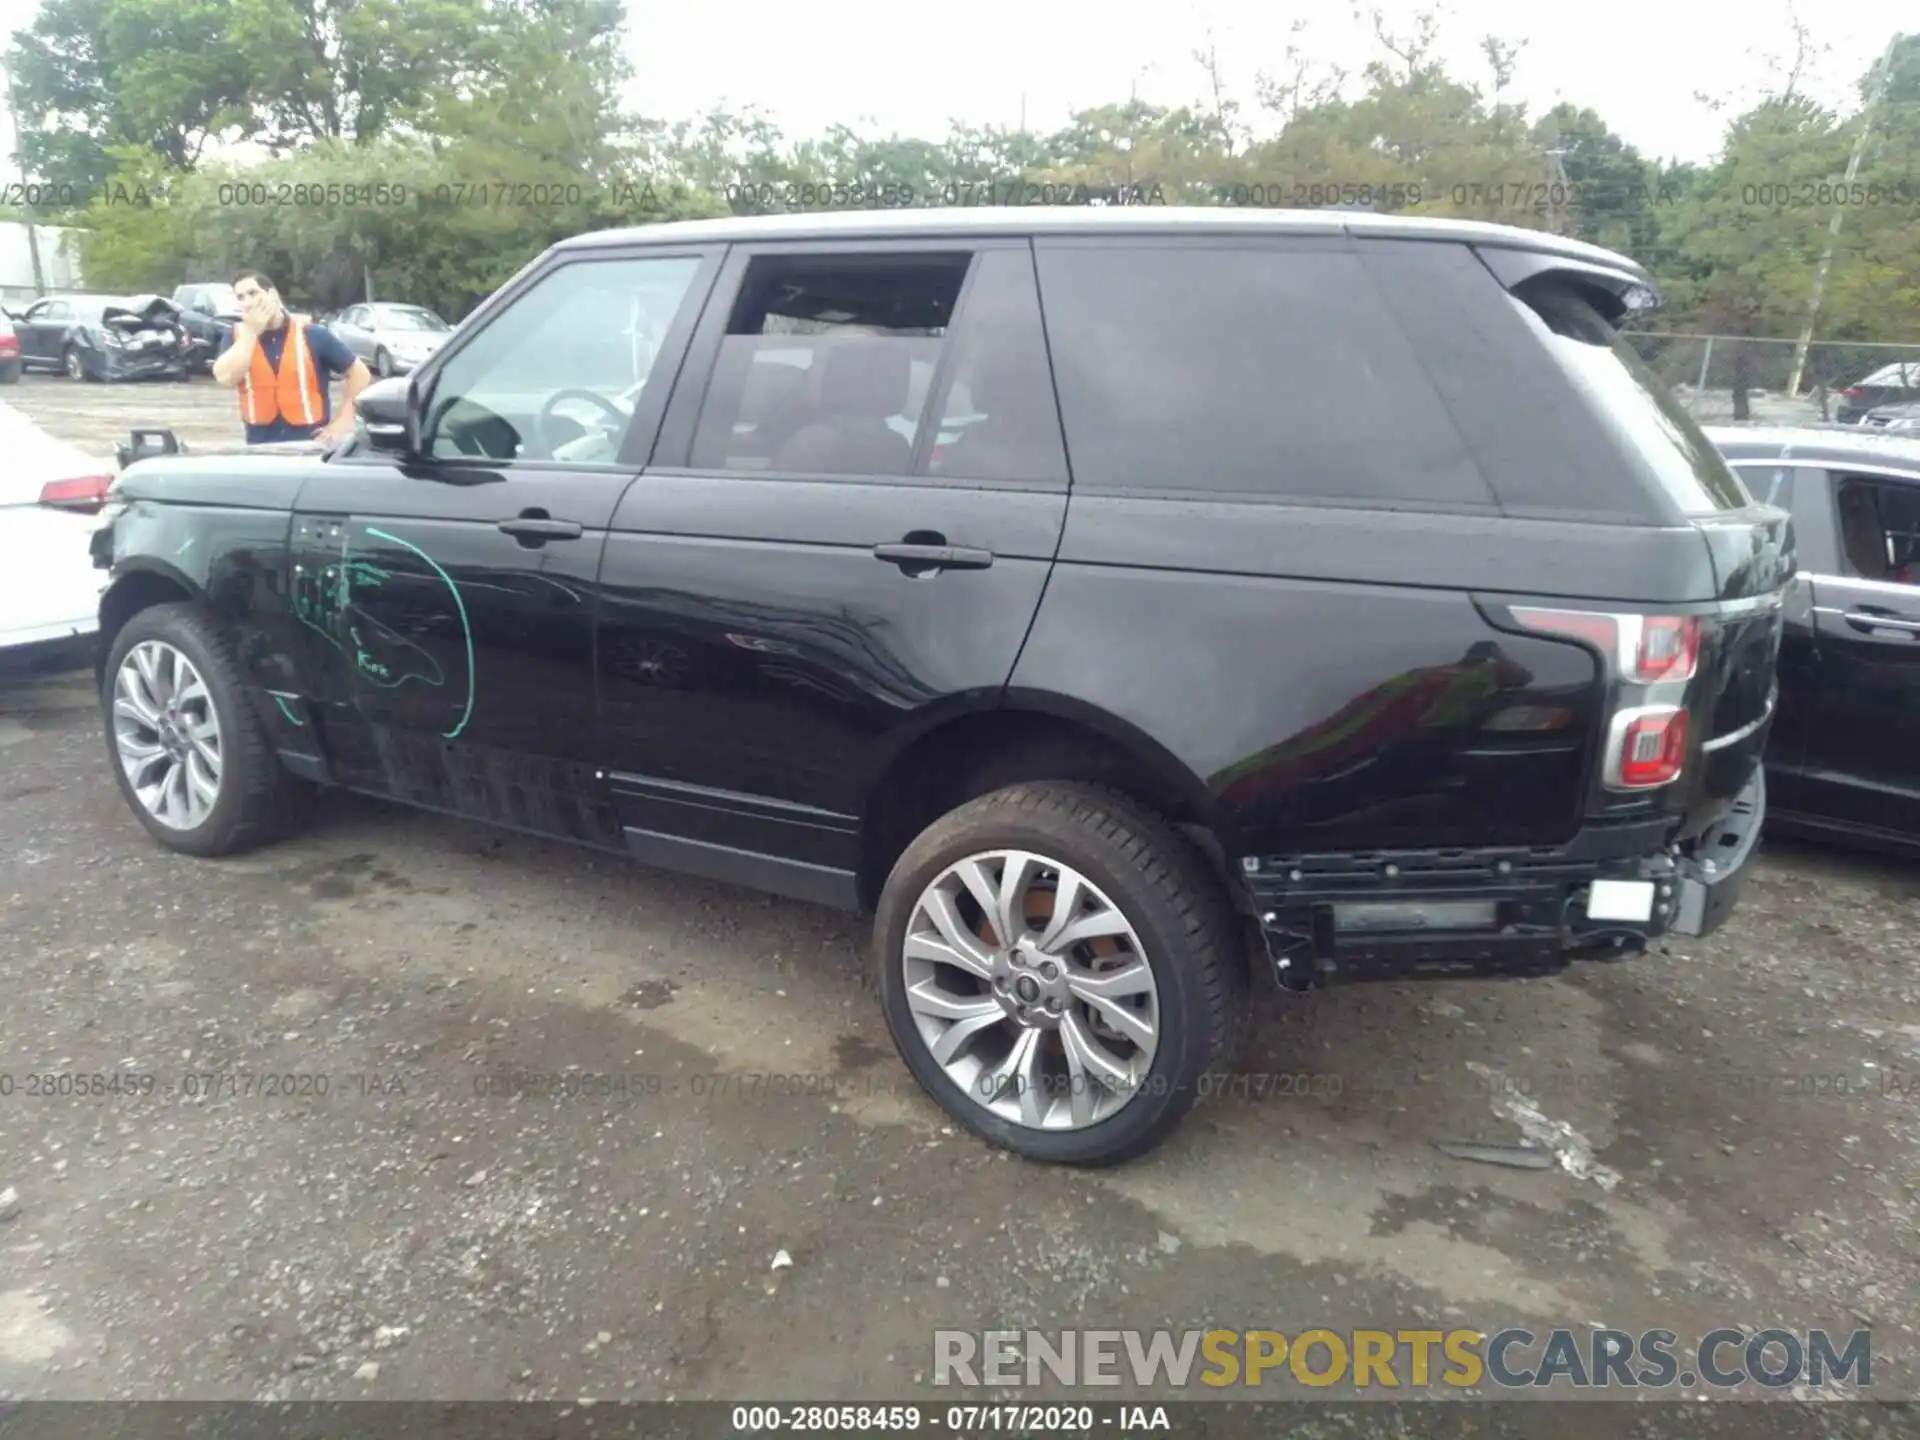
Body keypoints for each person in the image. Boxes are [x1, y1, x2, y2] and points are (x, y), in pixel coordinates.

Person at [212, 272, 371, 445]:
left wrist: (344, 420)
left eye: (253, 293)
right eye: (241, 297)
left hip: (311, 445)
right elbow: (225, 378)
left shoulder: (312, 334)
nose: (248, 302)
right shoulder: (237, 337)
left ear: (272, 294)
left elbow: (360, 374)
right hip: (259, 448)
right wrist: (251, 334)